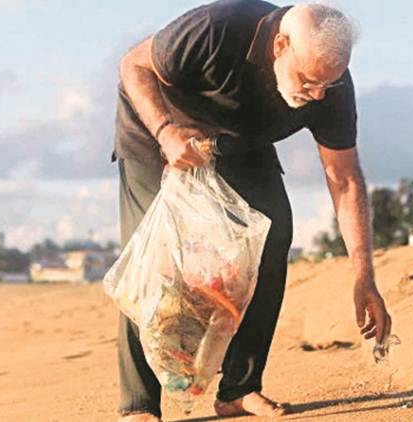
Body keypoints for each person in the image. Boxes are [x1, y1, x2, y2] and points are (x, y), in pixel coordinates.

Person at [111, 1, 392, 420]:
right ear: (280, 45)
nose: (316, 95)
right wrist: (166, 130)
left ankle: (239, 389)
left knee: (275, 231)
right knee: (153, 258)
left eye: (326, 86)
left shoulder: (330, 88)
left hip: (238, 141)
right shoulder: (215, 29)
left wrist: (363, 274)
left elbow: (345, 179)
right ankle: (139, 404)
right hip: (156, 132)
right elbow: (134, 66)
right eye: (309, 80)